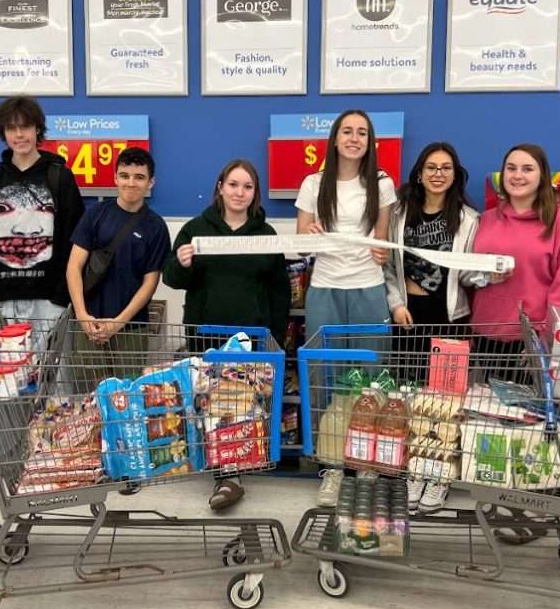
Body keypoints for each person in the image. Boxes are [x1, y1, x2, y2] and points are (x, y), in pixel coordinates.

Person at [162, 159, 290, 511]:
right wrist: (182, 263)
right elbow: (172, 279)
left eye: (247, 187)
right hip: (206, 335)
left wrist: (276, 335)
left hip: (253, 338)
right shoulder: (194, 229)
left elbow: (280, 291)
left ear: (255, 193)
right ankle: (222, 471)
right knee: (210, 405)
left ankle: (232, 471)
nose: (239, 192)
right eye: (233, 184)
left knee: (243, 407)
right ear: (220, 186)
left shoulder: (265, 235)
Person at [295, 110, 396, 508]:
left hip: (368, 289)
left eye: (362, 133)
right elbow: (303, 244)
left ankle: (367, 461)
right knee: (327, 377)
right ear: (335, 138)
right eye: (347, 131)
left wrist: (380, 251)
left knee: (371, 378)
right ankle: (334, 467)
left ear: (370, 141)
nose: (354, 138)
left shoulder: (382, 184)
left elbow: (383, 244)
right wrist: (312, 236)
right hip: (325, 289)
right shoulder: (312, 183)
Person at [383, 142, 479, 511]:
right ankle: (415, 470)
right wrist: (395, 304)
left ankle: (437, 476)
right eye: (431, 167)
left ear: (455, 175)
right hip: (408, 317)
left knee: (444, 404)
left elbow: (469, 272)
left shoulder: (469, 219)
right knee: (410, 398)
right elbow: (389, 266)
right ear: (419, 173)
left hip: (449, 318)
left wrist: (492, 272)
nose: (438, 173)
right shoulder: (398, 214)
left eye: (446, 168)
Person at [0, 96, 83, 345]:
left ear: (38, 129)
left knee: (53, 381)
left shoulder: (59, 177)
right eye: (11, 128)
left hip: (50, 301)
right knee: (5, 381)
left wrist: (62, 296)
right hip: (1, 303)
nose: (19, 135)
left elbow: (74, 240)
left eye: (26, 127)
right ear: (3, 133)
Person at [471, 143, 560, 342]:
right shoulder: (485, 219)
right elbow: (469, 275)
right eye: (511, 168)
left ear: (542, 177)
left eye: (527, 169)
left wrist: (548, 337)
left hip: (532, 340)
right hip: (483, 333)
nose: (517, 175)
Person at [66, 147, 170, 378]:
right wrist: (82, 315)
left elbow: (150, 283)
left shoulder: (156, 227)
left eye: (139, 177)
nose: (131, 183)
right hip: (88, 325)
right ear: (115, 178)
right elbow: (73, 267)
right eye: (124, 175)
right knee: (88, 400)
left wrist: (118, 323)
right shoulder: (95, 214)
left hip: (132, 328)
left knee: (128, 398)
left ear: (151, 182)